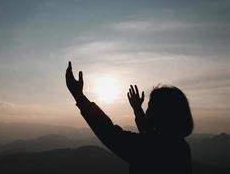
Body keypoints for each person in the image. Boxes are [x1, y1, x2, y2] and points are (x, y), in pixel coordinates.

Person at [65, 61, 193, 174]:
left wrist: (79, 96)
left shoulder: (152, 147)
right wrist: (137, 109)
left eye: (150, 107)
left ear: (161, 115)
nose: (147, 110)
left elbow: (110, 134)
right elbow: (149, 135)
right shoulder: (179, 146)